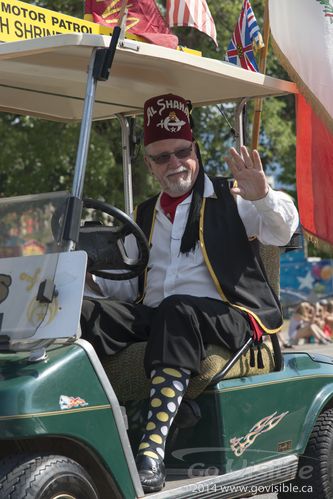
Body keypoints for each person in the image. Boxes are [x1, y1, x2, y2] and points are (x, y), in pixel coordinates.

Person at [81, 93, 299, 492]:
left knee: (177, 309)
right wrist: (84, 278)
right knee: (85, 311)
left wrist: (263, 194)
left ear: (195, 150)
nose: (174, 163)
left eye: (182, 152)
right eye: (162, 157)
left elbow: (283, 229)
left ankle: (152, 449)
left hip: (229, 316)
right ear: (149, 164)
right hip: (164, 318)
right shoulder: (144, 215)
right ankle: (69, 425)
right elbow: (125, 287)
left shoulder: (232, 198)